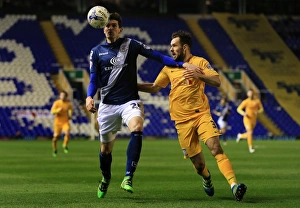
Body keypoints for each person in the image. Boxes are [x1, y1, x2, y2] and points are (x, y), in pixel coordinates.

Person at [85, 13, 197, 198]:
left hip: (130, 100)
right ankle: (105, 178)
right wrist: (90, 97)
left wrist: (183, 65)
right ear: (102, 28)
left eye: (113, 25)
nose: (110, 28)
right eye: (107, 25)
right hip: (107, 104)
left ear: (120, 29)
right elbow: (93, 79)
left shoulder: (131, 45)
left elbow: (158, 57)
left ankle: (128, 176)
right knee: (105, 149)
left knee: (137, 127)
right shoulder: (96, 52)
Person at [138, 30, 247, 201]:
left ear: (185, 47)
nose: (171, 49)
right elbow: (154, 87)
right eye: (170, 46)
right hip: (181, 122)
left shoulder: (199, 62)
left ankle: (234, 186)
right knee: (199, 165)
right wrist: (131, 85)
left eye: (174, 46)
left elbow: (217, 81)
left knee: (216, 148)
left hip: (201, 115)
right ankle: (206, 178)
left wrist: (199, 75)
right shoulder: (169, 68)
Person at [236, 89, 264, 153]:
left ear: (253, 93)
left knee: (249, 133)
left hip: (254, 119)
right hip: (247, 119)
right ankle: (250, 147)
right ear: (247, 94)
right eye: (249, 93)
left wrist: (258, 112)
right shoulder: (245, 101)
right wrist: (244, 113)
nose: (250, 94)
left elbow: (262, 109)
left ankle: (240, 136)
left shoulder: (257, 101)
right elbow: (238, 109)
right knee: (250, 132)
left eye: (251, 93)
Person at [50, 90, 73, 157]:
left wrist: (70, 115)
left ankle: (65, 145)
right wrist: (57, 110)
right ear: (59, 96)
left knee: (67, 132)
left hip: (65, 122)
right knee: (55, 138)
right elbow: (52, 112)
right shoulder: (56, 103)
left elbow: (70, 110)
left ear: (66, 96)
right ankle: (55, 149)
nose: (62, 96)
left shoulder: (68, 104)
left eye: (63, 95)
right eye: (61, 95)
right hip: (57, 123)